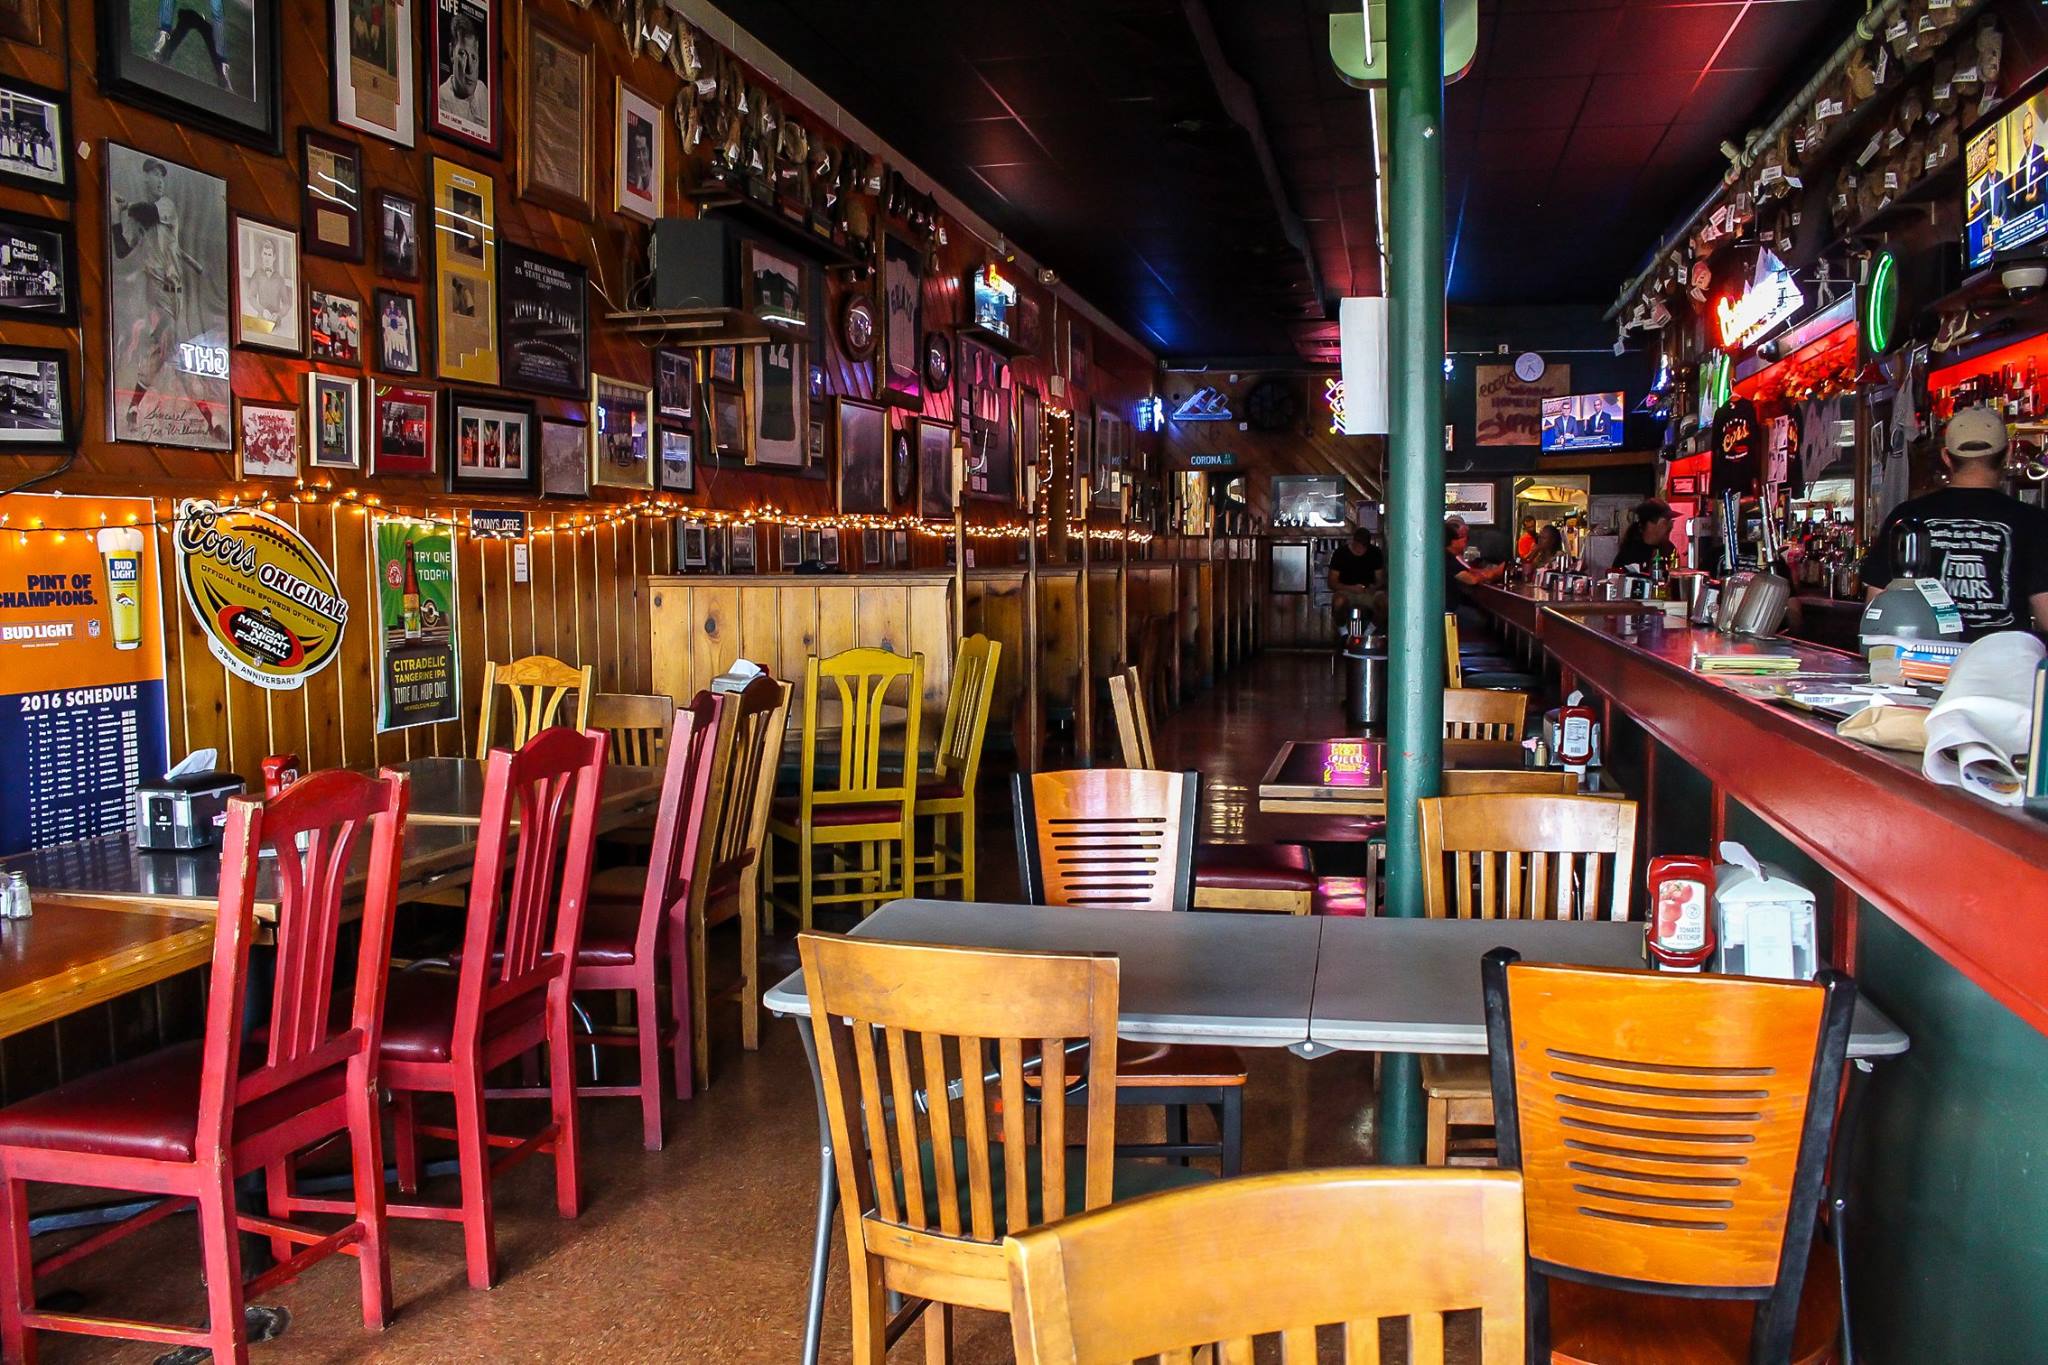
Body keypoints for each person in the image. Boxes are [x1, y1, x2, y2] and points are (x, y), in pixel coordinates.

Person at [1862, 406, 2048, 639]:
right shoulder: (2034, 522)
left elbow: (1876, 607)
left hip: (1923, 667)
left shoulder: (1907, 518)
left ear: (1947, 457)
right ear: (2008, 454)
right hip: (2003, 669)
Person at [1446, 516, 1505, 634]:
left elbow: (1470, 571)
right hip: (1449, 610)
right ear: (1453, 541)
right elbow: (1472, 580)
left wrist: (1489, 572)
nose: (1466, 542)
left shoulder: (1450, 556)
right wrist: (1497, 572)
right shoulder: (1447, 558)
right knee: (1485, 622)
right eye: (1464, 539)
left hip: (1451, 607)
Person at [437, 13, 489, 133]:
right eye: (463, 54)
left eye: (474, 57)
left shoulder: (482, 90)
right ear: (451, 53)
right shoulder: (442, 98)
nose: (470, 68)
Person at [1326, 525, 1385, 629]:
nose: (1360, 550)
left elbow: (1380, 580)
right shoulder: (1341, 553)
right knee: (1338, 602)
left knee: (1384, 602)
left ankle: (1369, 632)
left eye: (1363, 547)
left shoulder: (1375, 553)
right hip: (1345, 591)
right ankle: (1343, 633)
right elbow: (1332, 582)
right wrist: (1351, 588)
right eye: (1357, 546)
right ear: (1353, 541)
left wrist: (1374, 587)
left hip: (1368, 592)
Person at [1610, 499, 1676, 575]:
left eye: (1672, 522)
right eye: (1666, 522)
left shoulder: (1669, 549)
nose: (1671, 526)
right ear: (1651, 525)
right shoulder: (1630, 554)